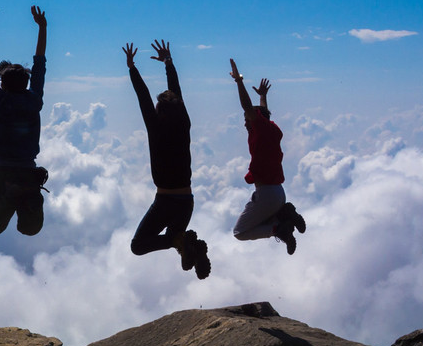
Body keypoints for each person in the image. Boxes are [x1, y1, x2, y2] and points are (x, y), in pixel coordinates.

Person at [124, 40, 210, 279]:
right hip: (186, 200)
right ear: (179, 109)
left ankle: (179, 240)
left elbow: (142, 96)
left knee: (138, 246)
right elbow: (176, 94)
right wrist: (168, 63)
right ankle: (182, 242)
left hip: (165, 202)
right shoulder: (184, 124)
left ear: (159, 110)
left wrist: (132, 68)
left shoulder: (155, 127)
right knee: (183, 258)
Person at [0, 6, 50, 236]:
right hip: (28, 170)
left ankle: (12, 194)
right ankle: (25, 193)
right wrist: (42, 27)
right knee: (30, 229)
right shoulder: (33, 100)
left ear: (2, 84)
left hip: (2, 171)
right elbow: (40, 64)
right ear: (26, 84)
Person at [228, 59, 306, 253]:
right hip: (278, 193)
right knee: (258, 221)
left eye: (247, 120)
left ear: (256, 119)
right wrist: (262, 97)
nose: (245, 123)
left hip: (267, 195)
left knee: (240, 232)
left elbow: (248, 107)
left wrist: (239, 81)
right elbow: (264, 114)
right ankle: (285, 215)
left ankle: (279, 228)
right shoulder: (269, 130)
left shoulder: (261, 129)